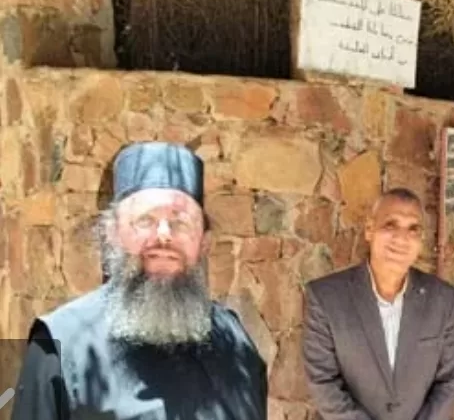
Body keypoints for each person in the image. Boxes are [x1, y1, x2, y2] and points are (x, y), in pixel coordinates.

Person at [11, 141, 268, 419]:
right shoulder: (60, 343)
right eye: (145, 220)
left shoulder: (235, 340)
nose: (164, 235)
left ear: (204, 242)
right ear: (112, 233)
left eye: (180, 222)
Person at [303, 187, 454, 420]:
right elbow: (323, 381)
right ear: (369, 229)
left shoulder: (443, 300)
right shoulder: (326, 298)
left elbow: (449, 380)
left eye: (413, 229)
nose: (402, 238)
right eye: (390, 225)